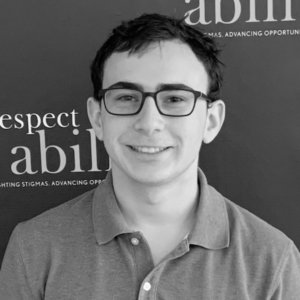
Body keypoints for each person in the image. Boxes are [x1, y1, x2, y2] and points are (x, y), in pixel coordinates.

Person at [0, 13, 300, 300]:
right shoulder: (34, 248)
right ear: (97, 118)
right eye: (127, 97)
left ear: (211, 121)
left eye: (174, 99)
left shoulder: (272, 259)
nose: (148, 123)